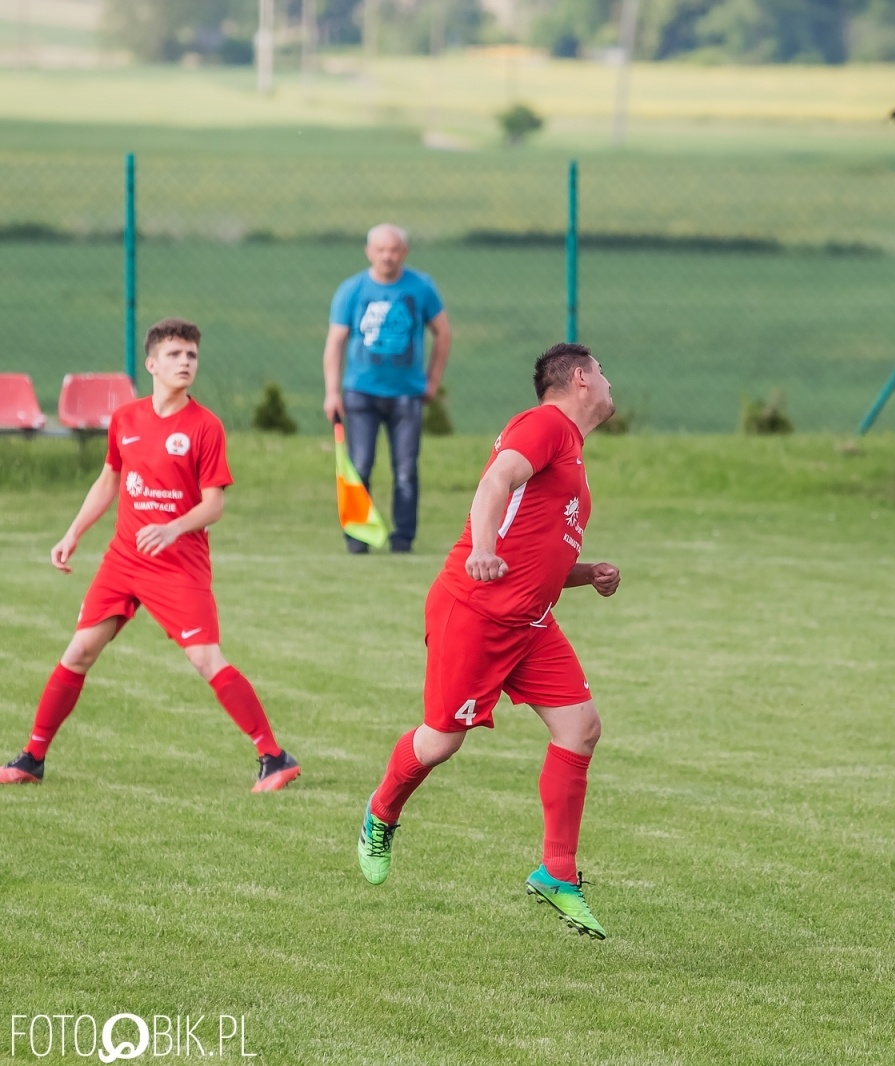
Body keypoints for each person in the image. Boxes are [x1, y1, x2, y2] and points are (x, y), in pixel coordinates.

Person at [356, 342, 620, 940]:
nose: (609, 382)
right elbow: (496, 481)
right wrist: (479, 549)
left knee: (581, 727)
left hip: (530, 622)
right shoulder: (546, 424)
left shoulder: (572, 452)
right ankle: (381, 812)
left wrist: (587, 573)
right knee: (442, 741)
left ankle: (557, 872)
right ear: (580, 379)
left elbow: (535, 548)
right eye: (602, 372)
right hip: (474, 612)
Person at [0, 318, 299, 791]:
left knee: (206, 659)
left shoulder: (205, 426)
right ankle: (31, 759)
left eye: (192, 356)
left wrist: (173, 528)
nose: (185, 362)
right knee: (78, 652)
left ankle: (274, 756)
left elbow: (214, 503)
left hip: (179, 564)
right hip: (123, 560)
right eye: (176, 354)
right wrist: (73, 532)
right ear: (152, 363)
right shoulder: (126, 419)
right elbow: (109, 480)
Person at [322, 223, 452, 554]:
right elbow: (335, 343)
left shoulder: (421, 287)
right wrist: (332, 392)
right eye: (381, 250)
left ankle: (403, 537)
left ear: (404, 253)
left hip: (407, 394)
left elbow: (443, 333)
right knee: (360, 465)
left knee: (406, 469)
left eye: (394, 250)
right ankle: (357, 534)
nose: (388, 256)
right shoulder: (351, 290)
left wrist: (432, 379)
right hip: (360, 393)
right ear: (369, 252)